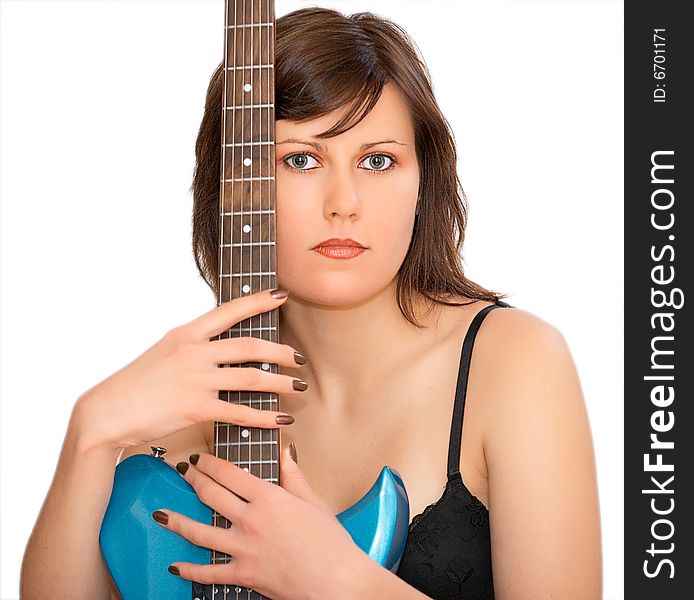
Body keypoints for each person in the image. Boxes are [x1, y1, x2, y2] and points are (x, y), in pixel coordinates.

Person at [20, 6, 602, 599]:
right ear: (233, 186)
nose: (343, 202)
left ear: (424, 181)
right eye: (301, 160)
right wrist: (88, 436)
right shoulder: (179, 424)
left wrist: (335, 580)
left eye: (377, 161)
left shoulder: (514, 364)